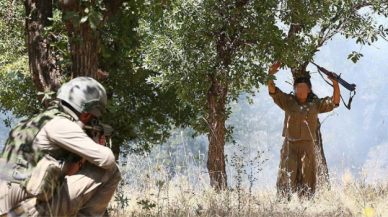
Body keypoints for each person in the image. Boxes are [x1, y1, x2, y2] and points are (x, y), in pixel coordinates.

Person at [0, 77, 121, 217]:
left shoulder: (32, 121)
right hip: (22, 212)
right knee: (111, 171)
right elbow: (107, 160)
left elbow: (66, 173)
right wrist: (95, 147)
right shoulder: (61, 125)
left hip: (9, 208)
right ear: (87, 113)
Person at [267, 62, 340, 198]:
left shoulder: (315, 104)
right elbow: (273, 91)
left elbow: (334, 102)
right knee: (287, 174)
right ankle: (283, 203)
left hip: (307, 145)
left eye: (303, 88)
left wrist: (335, 84)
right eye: (298, 89)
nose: (300, 91)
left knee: (307, 175)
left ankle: (306, 203)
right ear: (294, 90)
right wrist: (270, 74)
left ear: (309, 90)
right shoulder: (287, 101)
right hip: (290, 145)